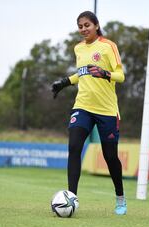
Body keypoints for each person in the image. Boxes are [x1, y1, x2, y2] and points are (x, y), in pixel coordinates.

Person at [51, 11, 126, 215]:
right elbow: (81, 73)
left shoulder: (108, 46)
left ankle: (120, 197)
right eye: (80, 26)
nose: (84, 29)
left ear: (96, 25)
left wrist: (105, 74)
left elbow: (121, 75)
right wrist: (64, 82)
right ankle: (71, 198)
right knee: (74, 146)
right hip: (83, 106)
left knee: (110, 156)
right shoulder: (78, 48)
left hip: (107, 110)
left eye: (87, 25)